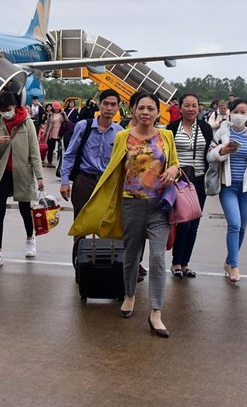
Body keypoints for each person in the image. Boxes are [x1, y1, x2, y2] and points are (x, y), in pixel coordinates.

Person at [72, 91, 179, 336]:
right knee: (131, 255)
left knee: (158, 258)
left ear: (157, 112)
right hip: (131, 203)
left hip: (160, 206)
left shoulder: (166, 136)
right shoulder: (122, 136)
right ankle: (130, 295)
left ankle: (156, 312)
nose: (145, 112)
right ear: (133, 110)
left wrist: (174, 169)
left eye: (151, 108)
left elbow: (174, 163)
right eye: (141, 108)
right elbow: (113, 169)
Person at [208, 98, 247, 283]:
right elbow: (210, 155)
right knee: (234, 225)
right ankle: (235, 266)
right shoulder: (222, 133)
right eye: (236, 111)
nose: (239, 115)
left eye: (243, 112)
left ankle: (229, 262)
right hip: (228, 187)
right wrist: (221, 151)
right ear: (230, 112)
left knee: (242, 227)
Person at [59, 89, 123, 272]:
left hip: (107, 184)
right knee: (81, 226)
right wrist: (65, 181)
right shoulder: (83, 126)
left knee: (107, 225)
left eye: (113, 105)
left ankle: (104, 268)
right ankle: (79, 267)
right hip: (84, 181)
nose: (109, 108)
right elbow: (70, 154)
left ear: (118, 108)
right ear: (99, 105)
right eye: (106, 104)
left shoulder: (120, 132)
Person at [0, 91, 45, 268]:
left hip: (22, 172)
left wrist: (39, 176)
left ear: (15, 106)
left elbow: (34, 151)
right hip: (3, 173)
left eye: (8, 109)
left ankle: (30, 237)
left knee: (24, 210)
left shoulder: (27, 123)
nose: (5, 113)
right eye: (2, 109)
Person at [166, 93, 213, 278]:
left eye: (194, 105)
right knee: (183, 222)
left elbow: (211, 151)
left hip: (199, 181)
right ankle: (176, 263)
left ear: (199, 107)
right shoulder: (171, 128)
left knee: (194, 223)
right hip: (179, 182)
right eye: (187, 105)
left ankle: (185, 264)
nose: (191, 109)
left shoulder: (205, 128)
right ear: (180, 108)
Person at [44, 101, 65, 167]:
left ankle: (61, 162)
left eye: (57, 109)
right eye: (55, 109)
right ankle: (49, 161)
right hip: (51, 133)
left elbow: (67, 122)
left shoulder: (63, 114)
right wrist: (45, 132)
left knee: (61, 148)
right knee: (50, 148)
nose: (56, 110)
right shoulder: (50, 114)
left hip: (60, 133)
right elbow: (47, 124)